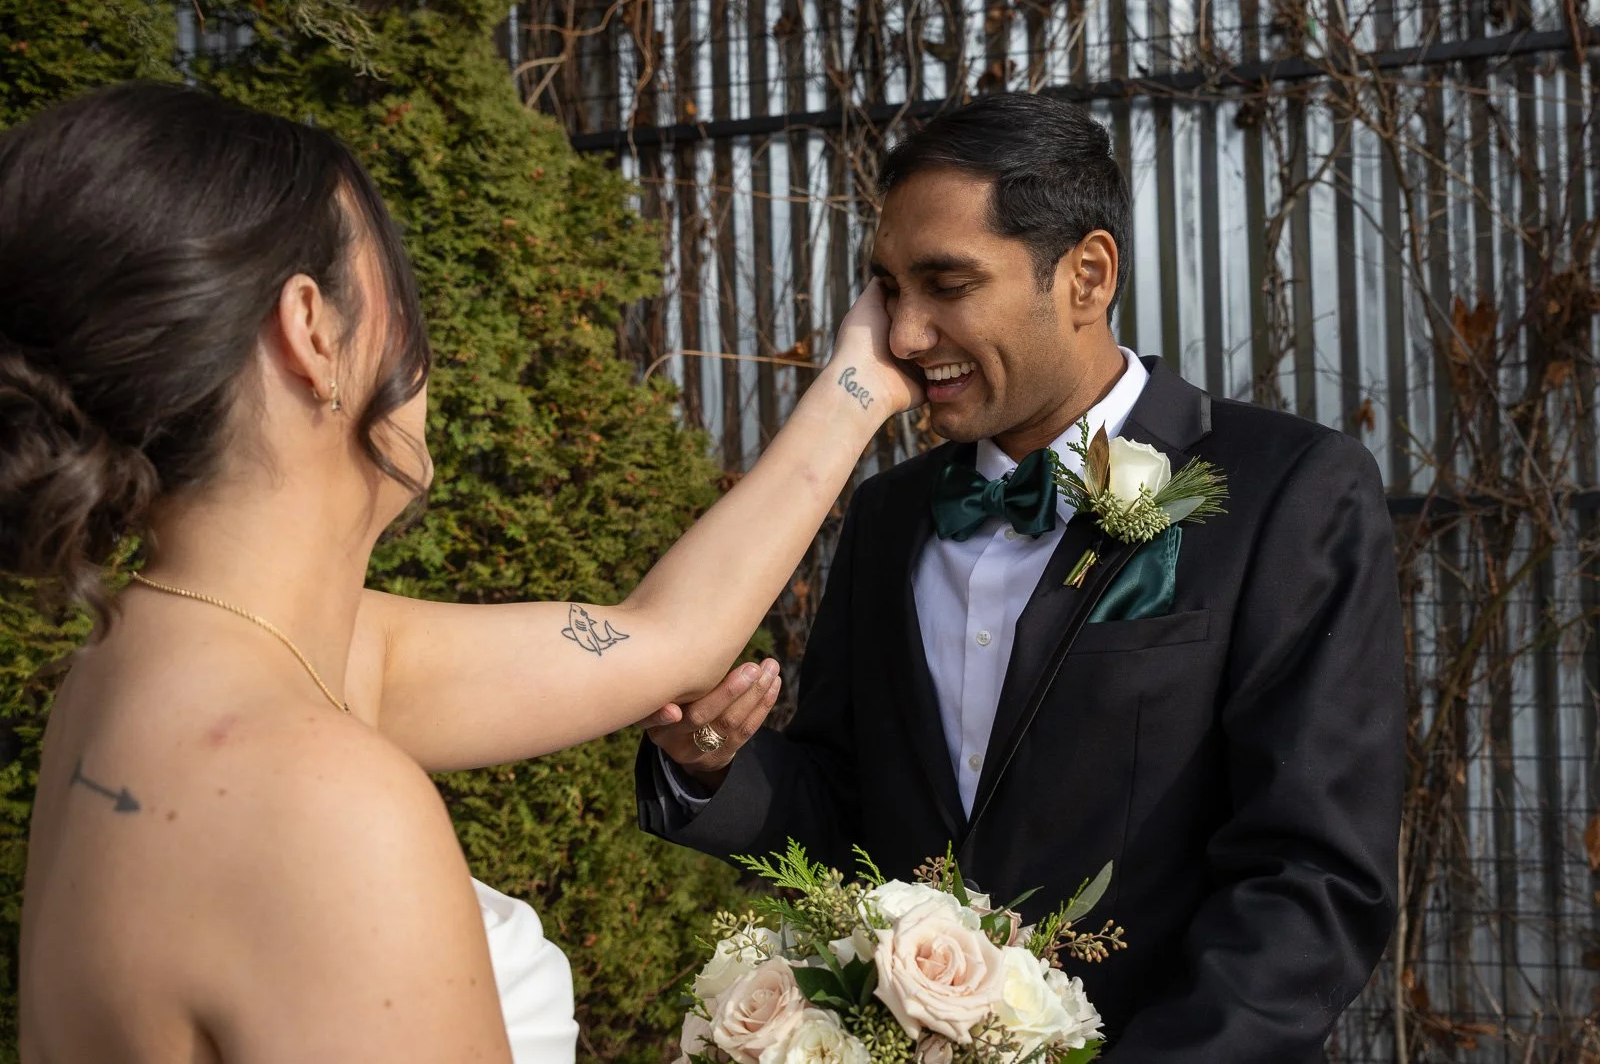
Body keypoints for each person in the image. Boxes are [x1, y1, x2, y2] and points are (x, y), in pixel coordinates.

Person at [2, 81, 915, 1064]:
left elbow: (664, 640)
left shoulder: (148, 662)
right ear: (312, 330)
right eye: (396, 277)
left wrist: (862, 383)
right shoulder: (325, 804)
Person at [638, 92, 1406, 1063]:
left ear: (1085, 274)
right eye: (886, 289)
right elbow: (845, 813)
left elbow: (1311, 873)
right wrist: (714, 766)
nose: (906, 335)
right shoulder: (888, 516)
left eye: (946, 284)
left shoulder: (1289, 488)